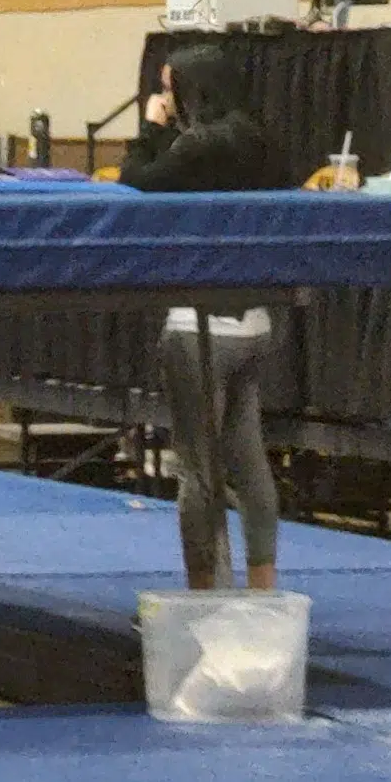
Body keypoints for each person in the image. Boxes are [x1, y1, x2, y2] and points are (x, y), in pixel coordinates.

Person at [121, 43, 282, 590]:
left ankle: (202, 588)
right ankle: (263, 587)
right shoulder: (258, 140)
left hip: (199, 325)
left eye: (170, 90)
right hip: (256, 321)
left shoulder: (198, 146)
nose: (166, 99)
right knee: (250, 461)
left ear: (192, 91)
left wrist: (150, 125)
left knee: (198, 467)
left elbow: (138, 181)